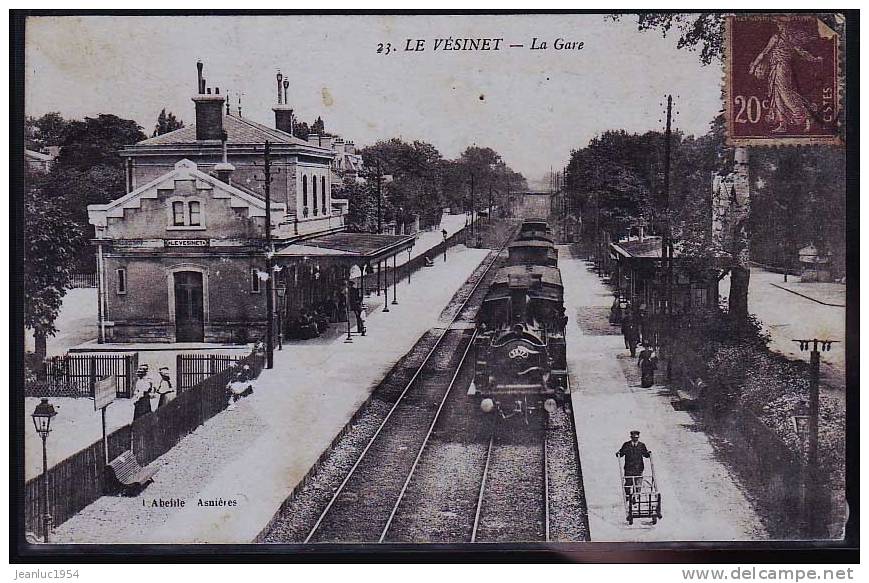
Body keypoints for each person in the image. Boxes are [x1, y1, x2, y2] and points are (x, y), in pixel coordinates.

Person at [616, 430, 651, 500]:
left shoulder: (641, 445)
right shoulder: (626, 445)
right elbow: (621, 453)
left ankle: (635, 497)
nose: (635, 439)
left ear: (638, 438)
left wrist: (648, 453)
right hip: (629, 469)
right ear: (631, 437)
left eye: (636, 438)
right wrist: (618, 453)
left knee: (638, 485)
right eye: (633, 438)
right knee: (628, 484)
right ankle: (628, 496)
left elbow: (645, 454)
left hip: (639, 468)